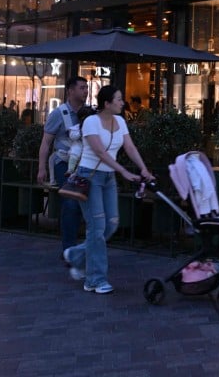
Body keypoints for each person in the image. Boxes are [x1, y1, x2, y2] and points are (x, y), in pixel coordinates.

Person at [63, 86, 155, 294]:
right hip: (89, 176)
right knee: (96, 227)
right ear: (106, 103)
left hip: (108, 177)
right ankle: (95, 280)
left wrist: (143, 168)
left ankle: (76, 255)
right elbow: (100, 152)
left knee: (110, 225)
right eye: (119, 99)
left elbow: (130, 147)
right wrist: (123, 171)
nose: (123, 103)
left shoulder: (121, 122)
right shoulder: (91, 122)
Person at [37, 76, 89, 257]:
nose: (85, 91)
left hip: (85, 165)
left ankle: (76, 246)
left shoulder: (89, 114)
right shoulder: (59, 114)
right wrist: (41, 168)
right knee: (70, 203)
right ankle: (69, 248)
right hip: (64, 164)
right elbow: (46, 142)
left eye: (86, 87)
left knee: (80, 205)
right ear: (70, 90)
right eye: (82, 87)